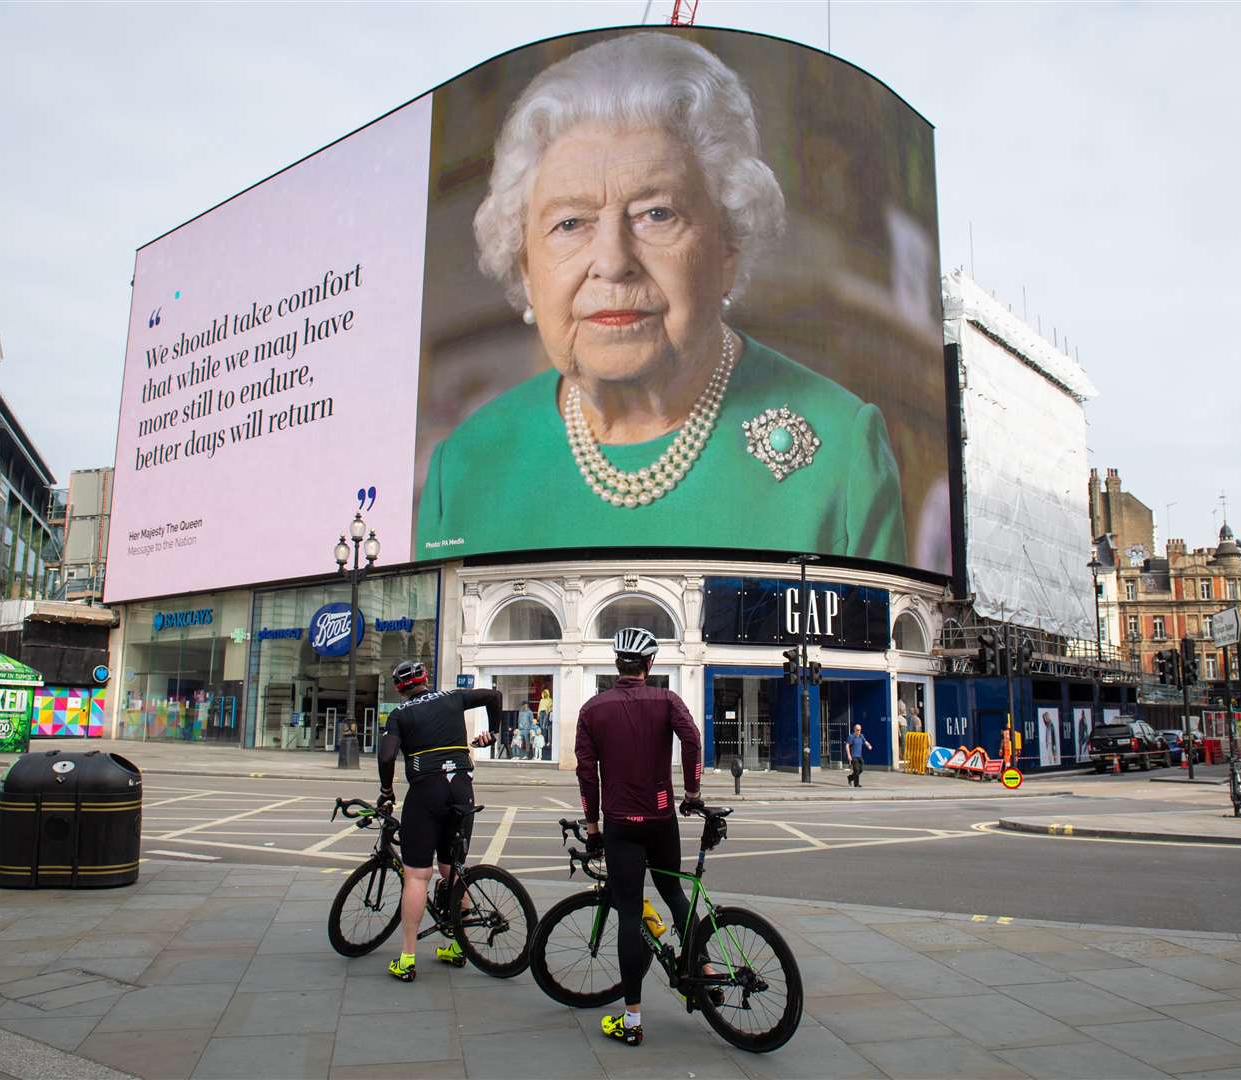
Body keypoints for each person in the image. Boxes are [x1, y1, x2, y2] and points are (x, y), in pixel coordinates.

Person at [414, 32, 907, 566]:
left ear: (727, 247)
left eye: (656, 213)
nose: (612, 260)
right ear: (527, 270)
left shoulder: (841, 452)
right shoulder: (461, 471)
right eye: (570, 222)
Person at [575, 627, 702, 1048]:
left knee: (630, 913)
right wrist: (692, 792)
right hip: (662, 815)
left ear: (616, 663)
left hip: (620, 824)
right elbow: (692, 740)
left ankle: (631, 1020)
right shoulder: (667, 700)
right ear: (650, 665)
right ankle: (701, 968)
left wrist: (591, 825)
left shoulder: (593, 709)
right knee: (674, 893)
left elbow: (586, 772)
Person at [377, 660, 500, 983]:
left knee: (417, 875)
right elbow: (493, 696)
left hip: (426, 792)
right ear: (426, 679)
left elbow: (387, 756)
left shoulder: (400, 715)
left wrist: (386, 790)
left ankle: (406, 958)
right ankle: (459, 947)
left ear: (398, 688)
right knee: (452, 869)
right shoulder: (453, 697)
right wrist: (495, 731)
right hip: (461, 789)